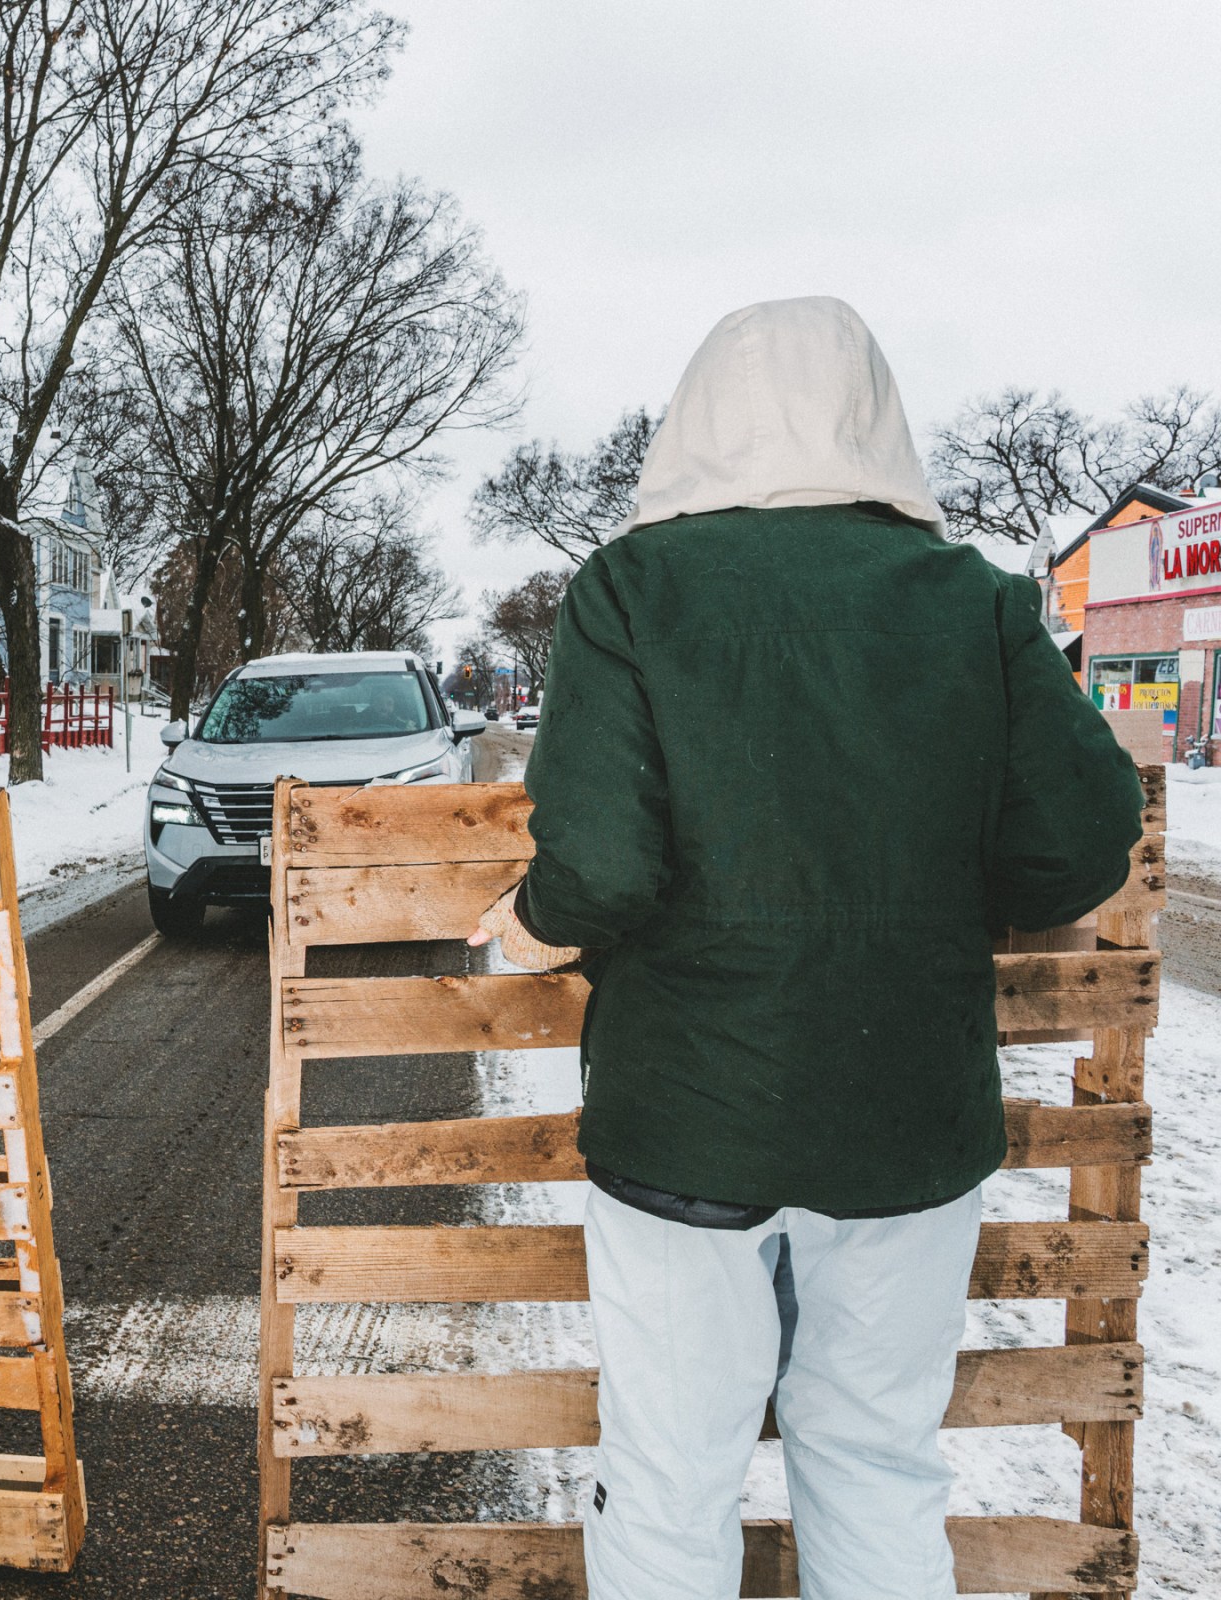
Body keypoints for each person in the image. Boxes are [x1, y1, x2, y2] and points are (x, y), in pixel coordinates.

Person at [469, 297, 1143, 1599]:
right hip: (905, 1119)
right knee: (878, 1461)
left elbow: (604, 862)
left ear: (695, 418)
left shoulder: (634, 588)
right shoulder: (978, 600)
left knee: (670, 1473)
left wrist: (537, 927)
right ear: (875, 418)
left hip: (687, 1123)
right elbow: (1076, 848)